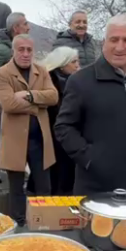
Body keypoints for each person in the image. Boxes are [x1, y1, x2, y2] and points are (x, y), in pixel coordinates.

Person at [55, 14, 126, 197]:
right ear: (104, 42)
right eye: (114, 39)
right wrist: (90, 158)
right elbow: (64, 127)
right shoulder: (81, 80)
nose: (120, 47)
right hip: (93, 185)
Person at [0, 35, 58, 223]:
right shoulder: (2, 73)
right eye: (21, 49)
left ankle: (44, 221)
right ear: (13, 51)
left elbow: (53, 97)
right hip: (15, 141)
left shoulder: (42, 71)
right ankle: (18, 223)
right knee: (16, 188)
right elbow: (8, 104)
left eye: (29, 50)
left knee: (44, 186)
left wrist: (29, 95)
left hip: (40, 141)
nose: (25, 54)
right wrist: (39, 105)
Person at [0, 12, 30, 183]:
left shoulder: (21, 47)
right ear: (16, 28)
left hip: (19, 101)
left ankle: (17, 170)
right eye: (25, 24)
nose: (28, 27)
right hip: (1, 100)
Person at [40, 46, 80, 195]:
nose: (77, 65)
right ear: (63, 64)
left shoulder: (75, 81)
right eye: (73, 62)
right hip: (51, 133)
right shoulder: (49, 80)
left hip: (70, 133)